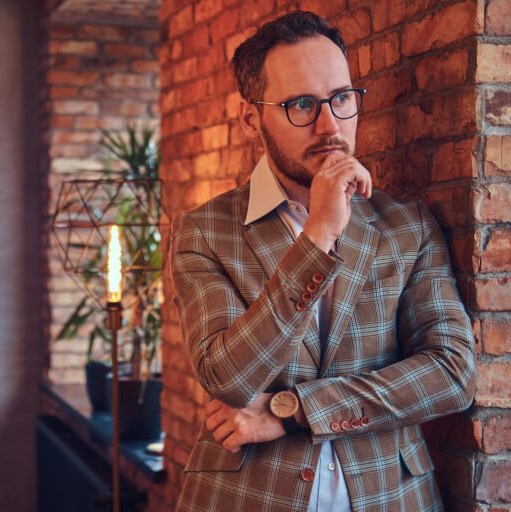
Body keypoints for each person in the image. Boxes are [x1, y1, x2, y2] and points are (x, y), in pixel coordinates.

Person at [169, 11, 476, 512]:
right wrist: (319, 234)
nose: (330, 125)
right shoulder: (204, 231)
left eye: (341, 98)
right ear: (252, 118)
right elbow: (228, 376)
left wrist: (292, 410)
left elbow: (452, 373)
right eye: (301, 105)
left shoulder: (408, 224)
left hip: (390, 495)